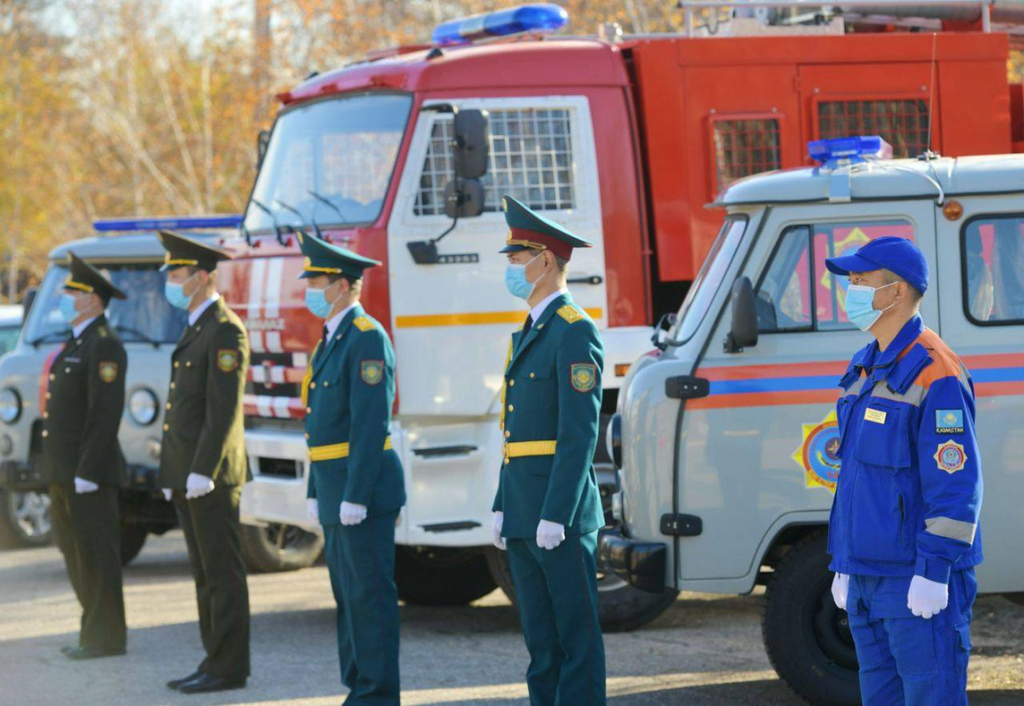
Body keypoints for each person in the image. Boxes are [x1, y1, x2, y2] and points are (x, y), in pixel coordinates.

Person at [826, 236, 983, 706]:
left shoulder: (935, 370)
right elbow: (858, 478)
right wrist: (844, 562)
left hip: (915, 579)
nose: (849, 288)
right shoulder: (864, 366)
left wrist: (935, 569)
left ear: (897, 291)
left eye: (860, 279)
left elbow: (956, 483)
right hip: (867, 574)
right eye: (849, 279)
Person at [490, 195, 606, 705]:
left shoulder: (574, 331)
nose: (513, 269)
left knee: (573, 639)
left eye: (518, 259)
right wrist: (502, 503)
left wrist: (557, 513)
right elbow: (514, 433)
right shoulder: (529, 333)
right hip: (522, 510)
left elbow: (579, 433)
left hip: (558, 516)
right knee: (540, 642)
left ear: (544, 260)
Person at [297, 231, 406, 705]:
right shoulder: (331, 340)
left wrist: (356, 495)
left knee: (371, 600)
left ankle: (377, 695)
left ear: (342, 285)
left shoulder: (366, 338)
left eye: (316, 281)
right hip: (335, 490)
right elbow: (317, 422)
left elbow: (369, 423)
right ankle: (359, 688)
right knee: (348, 600)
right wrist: (314, 489)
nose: (310, 289)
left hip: (360, 493)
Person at [157, 230, 251, 694]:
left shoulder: (225, 328)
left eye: (177, 273)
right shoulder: (196, 326)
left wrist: (202, 469)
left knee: (221, 572)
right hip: (188, 472)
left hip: (210, 476)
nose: (171, 281)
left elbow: (223, 409)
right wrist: (175, 470)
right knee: (202, 573)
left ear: (201, 276)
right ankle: (213, 658)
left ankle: (230, 666)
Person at [40, 252, 128, 660]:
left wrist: (89, 470)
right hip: (64, 470)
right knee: (74, 553)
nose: (65, 297)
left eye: (72, 292)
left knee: (96, 556)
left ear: (93, 300)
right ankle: (91, 631)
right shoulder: (76, 341)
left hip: (88, 472)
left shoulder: (104, 345)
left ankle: (106, 637)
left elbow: (104, 412)